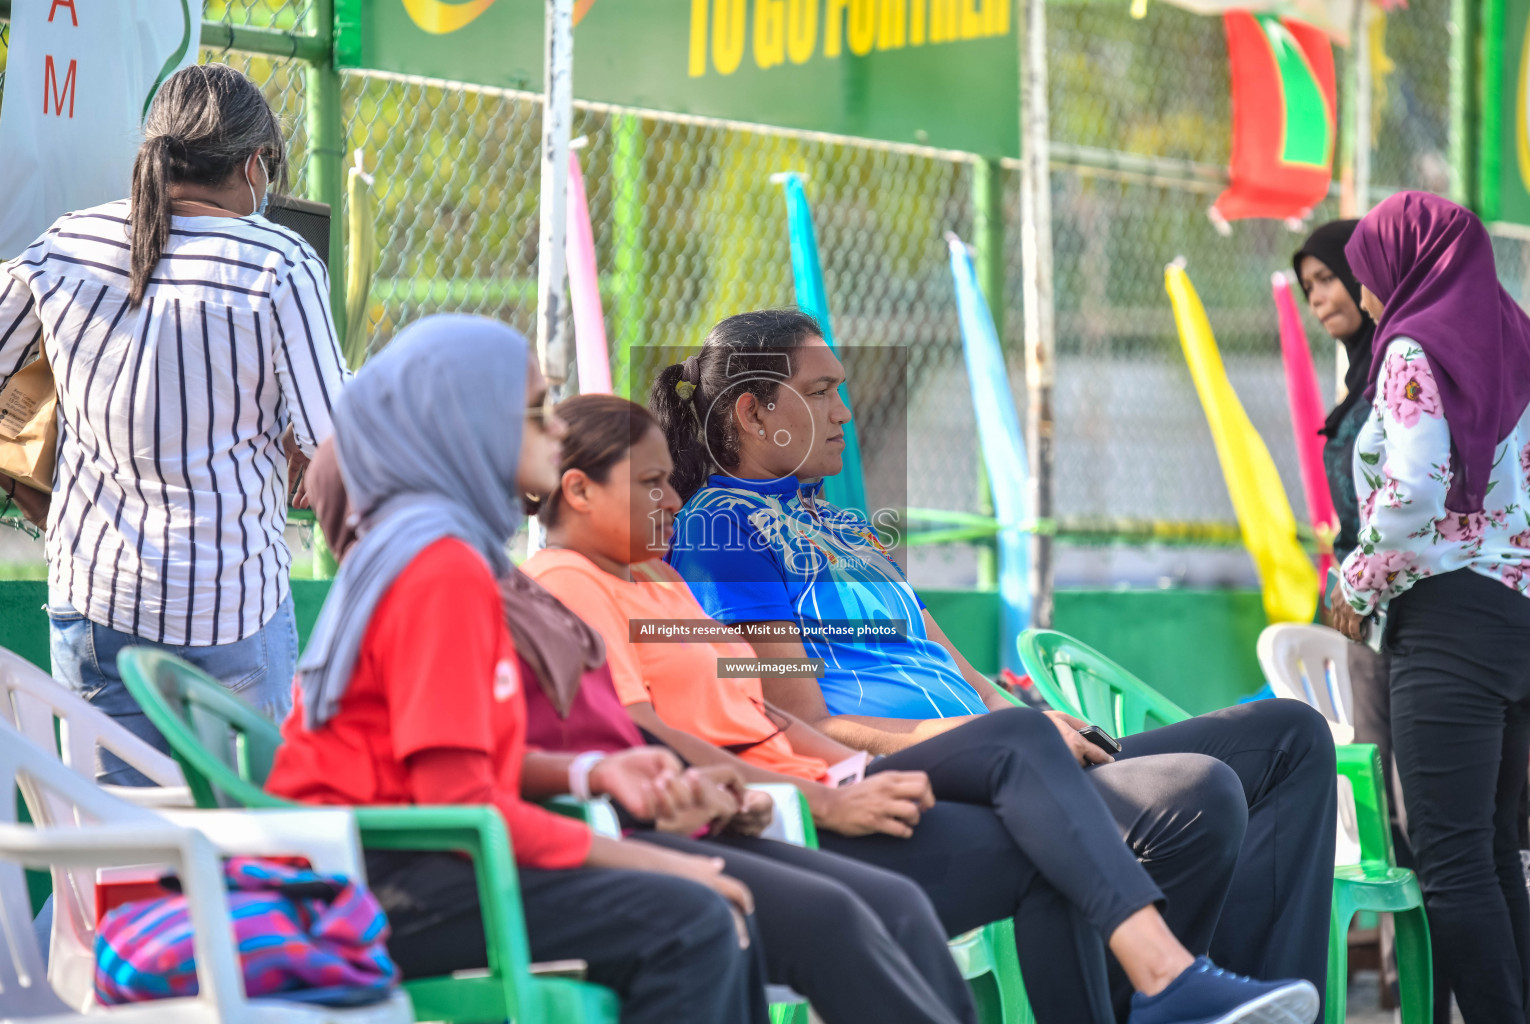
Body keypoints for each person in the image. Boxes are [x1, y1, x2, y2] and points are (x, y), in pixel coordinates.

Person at [525, 392, 1323, 1024]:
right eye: (651, 483)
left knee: (1065, 804)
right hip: (775, 813)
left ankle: (1177, 986)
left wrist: (842, 767)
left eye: (671, 477)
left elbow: (764, 710)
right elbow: (646, 729)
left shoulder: (664, 581)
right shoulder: (580, 580)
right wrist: (826, 794)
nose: (671, 496)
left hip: (827, 775)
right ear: (578, 489)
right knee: (1023, 747)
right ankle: (1168, 977)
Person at [302, 417, 979, 1024]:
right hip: (420, 873)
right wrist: (648, 836)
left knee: (882, 893)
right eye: (529, 411)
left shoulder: (538, 584)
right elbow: (468, 796)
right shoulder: (485, 589)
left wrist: (603, 772)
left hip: (628, 814)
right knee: (721, 918)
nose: (539, 429)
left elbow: (503, 761)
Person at [264, 315, 767, 1024]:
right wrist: (654, 861)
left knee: (700, 914)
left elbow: (457, 767)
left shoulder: (435, 546)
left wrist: (590, 774)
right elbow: (461, 808)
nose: (556, 429)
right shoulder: (440, 567)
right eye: (533, 413)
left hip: (394, 859)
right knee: (691, 919)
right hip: (367, 886)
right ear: (464, 428)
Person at [0, 64, 346, 784]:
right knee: (240, 851)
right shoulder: (280, 264)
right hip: (231, 614)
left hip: (95, 605)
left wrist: (22, 479)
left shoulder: (65, 243)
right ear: (255, 166)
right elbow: (335, 448)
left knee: (118, 849)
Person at [1328, 191, 1530, 1024]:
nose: (1368, 295)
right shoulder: (1517, 338)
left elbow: (1413, 492)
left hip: (1449, 624)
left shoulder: (1414, 345)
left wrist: (1356, 582)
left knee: (1450, 864)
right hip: (1521, 615)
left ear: (1406, 266)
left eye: (1369, 273)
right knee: (1495, 851)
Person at [1294, 221, 1413, 868]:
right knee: (1378, 792)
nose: (1318, 298)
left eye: (1329, 278)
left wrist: (1357, 589)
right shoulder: (1359, 376)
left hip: (1398, 598)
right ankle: (1403, 968)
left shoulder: (1401, 368)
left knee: (1413, 797)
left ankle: (1436, 967)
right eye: (1307, 286)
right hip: (1359, 602)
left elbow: (1403, 498)